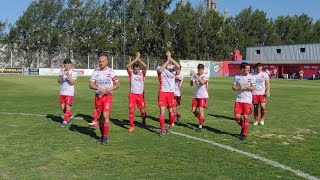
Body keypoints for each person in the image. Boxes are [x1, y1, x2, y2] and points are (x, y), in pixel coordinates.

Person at [89, 54, 120, 144]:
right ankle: (102, 136)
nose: (101, 63)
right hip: (98, 97)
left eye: (103, 61)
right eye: (100, 61)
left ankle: (105, 137)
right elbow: (90, 85)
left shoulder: (111, 72)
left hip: (107, 96)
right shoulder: (95, 72)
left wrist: (110, 88)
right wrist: (99, 88)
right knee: (101, 117)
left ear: (107, 62)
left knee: (106, 115)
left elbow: (118, 84)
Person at [157, 51, 180, 136]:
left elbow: (178, 66)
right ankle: (162, 129)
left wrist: (171, 58)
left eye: (168, 59)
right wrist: (167, 61)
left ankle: (170, 125)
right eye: (166, 59)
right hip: (163, 92)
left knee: (172, 112)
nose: (167, 60)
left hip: (171, 92)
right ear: (163, 60)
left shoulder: (172, 67)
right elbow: (160, 70)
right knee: (162, 112)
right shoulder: (159, 67)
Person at [232, 62, 256, 141]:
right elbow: (233, 87)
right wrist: (239, 87)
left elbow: (253, 88)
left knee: (245, 116)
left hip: (247, 99)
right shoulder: (237, 77)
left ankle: (244, 133)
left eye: (249, 69)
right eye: (247, 69)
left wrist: (246, 86)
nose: (248, 70)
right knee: (237, 117)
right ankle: (244, 127)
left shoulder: (252, 77)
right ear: (242, 69)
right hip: (238, 99)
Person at [126, 52, 147, 133]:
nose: (137, 71)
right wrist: (135, 60)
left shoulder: (142, 74)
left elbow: (145, 66)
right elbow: (127, 66)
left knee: (142, 111)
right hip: (132, 95)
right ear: (133, 69)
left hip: (140, 95)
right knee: (131, 110)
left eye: (138, 69)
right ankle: (132, 126)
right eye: (135, 69)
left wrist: (139, 59)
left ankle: (143, 121)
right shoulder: (131, 74)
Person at [58, 59, 77, 128]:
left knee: (67, 107)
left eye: (67, 64)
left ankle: (64, 122)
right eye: (65, 65)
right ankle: (71, 117)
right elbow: (59, 82)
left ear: (70, 64)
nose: (66, 66)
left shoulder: (74, 72)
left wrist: (68, 75)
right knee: (63, 108)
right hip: (62, 91)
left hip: (69, 92)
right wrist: (61, 75)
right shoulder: (62, 71)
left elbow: (72, 82)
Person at [190, 64, 209, 132]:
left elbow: (202, 82)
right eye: (198, 70)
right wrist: (191, 79)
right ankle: (201, 119)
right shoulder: (196, 74)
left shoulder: (205, 75)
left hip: (203, 95)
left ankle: (200, 126)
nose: (199, 71)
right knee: (193, 110)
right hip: (196, 95)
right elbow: (191, 84)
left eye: (201, 70)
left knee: (201, 111)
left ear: (203, 70)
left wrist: (195, 75)